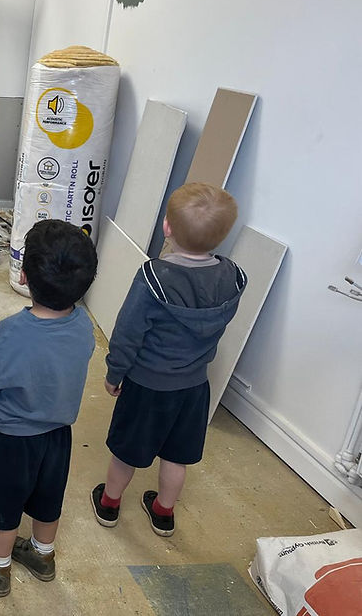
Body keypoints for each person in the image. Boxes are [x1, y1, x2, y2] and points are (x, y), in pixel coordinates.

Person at [90, 182, 247, 537]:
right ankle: (163, 511)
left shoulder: (153, 277)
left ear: (167, 228)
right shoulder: (234, 278)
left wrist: (116, 372)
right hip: (194, 386)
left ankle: (110, 503)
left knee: (128, 451)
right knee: (177, 455)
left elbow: (128, 333)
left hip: (147, 385)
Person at [0, 219, 98, 597]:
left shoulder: (13, 333)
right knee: (47, 497)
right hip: (58, 435)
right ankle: (42, 554)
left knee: (5, 505)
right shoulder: (84, 325)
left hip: (11, 438)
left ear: (23, 274)